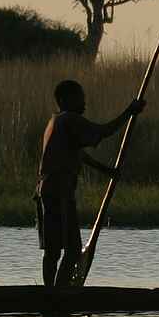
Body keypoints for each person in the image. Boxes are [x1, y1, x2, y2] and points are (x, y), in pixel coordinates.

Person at [34, 79, 145, 287]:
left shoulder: (55, 122)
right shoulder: (69, 120)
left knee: (53, 251)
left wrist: (105, 170)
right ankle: (59, 293)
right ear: (65, 100)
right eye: (80, 97)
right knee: (72, 250)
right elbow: (103, 131)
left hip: (47, 191)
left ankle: (51, 293)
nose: (84, 102)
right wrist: (129, 112)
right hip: (59, 193)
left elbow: (78, 154)